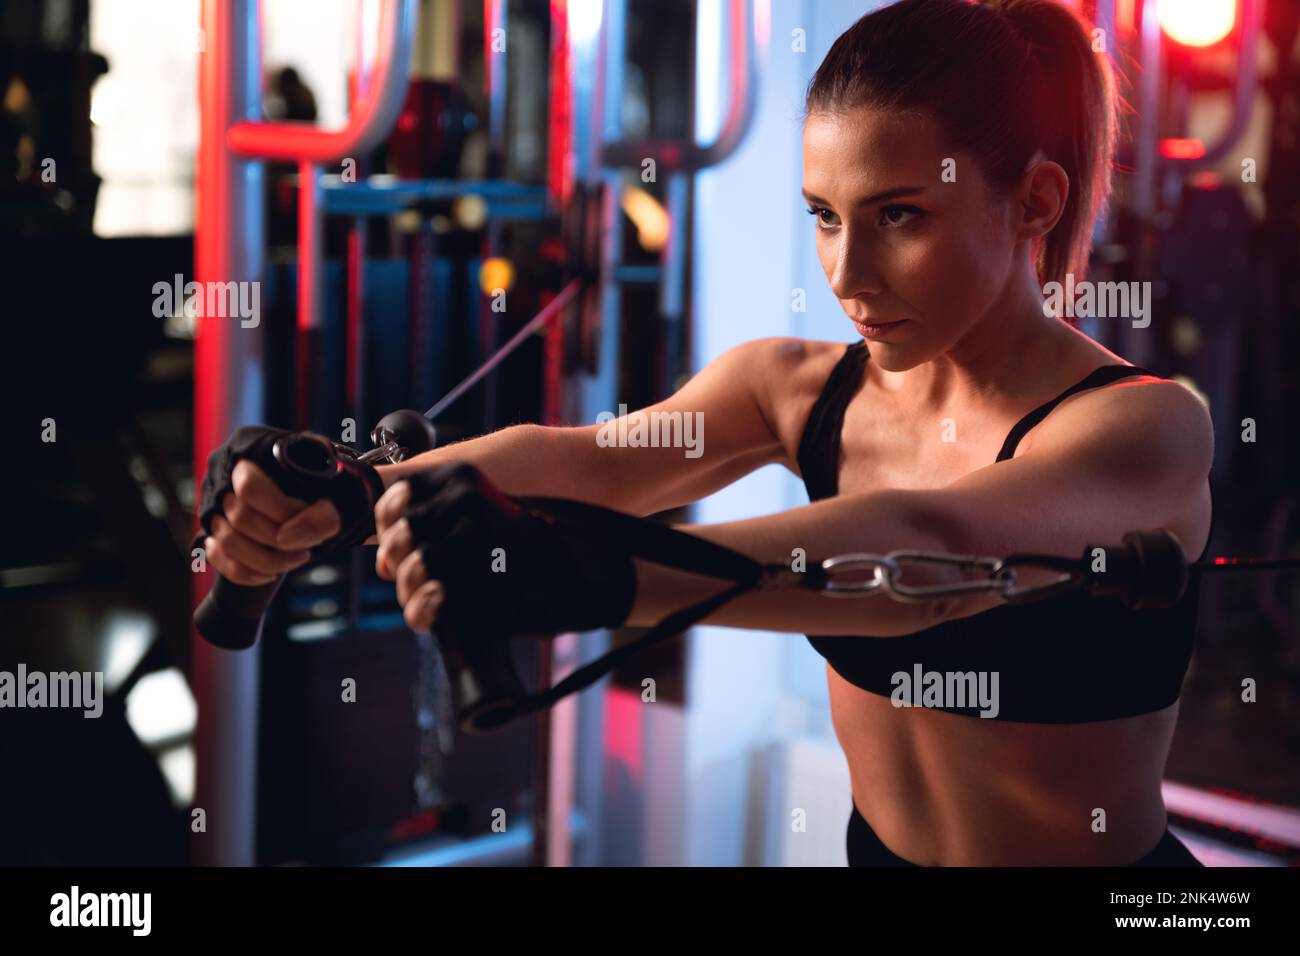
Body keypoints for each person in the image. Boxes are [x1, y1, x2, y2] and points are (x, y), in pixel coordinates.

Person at [199, 0, 1213, 866]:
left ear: (1033, 199)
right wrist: (357, 494)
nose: (848, 273)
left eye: (899, 216)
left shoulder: (1145, 428)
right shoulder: (794, 388)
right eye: (825, 214)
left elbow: (933, 550)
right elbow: (582, 461)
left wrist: (590, 575)